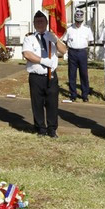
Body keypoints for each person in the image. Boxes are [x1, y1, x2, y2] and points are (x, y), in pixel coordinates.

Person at [22, 10, 67, 138]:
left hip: (51, 75)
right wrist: (43, 60)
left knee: (52, 103)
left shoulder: (52, 37)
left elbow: (63, 51)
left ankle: (52, 129)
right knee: (37, 103)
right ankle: (40, 128)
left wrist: (56, 40)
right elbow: (27, 54)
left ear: (47, 22)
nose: (40, 23)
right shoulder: (29, 38)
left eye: (42, 21)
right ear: (34, 23)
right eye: (37, 21)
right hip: (36, 76)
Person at [63, 9, 94, 102]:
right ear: (74, 19)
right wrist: (66, 52)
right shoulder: (69, 29)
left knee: (84, 74)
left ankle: (85, 95)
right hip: (72, 52)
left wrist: (90, 53)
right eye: (77, 21)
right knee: (72, 74)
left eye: (80, 21)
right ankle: (73, 94)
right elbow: (65, 40)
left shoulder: (87, 29)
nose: (78, 23)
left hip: (82, 52)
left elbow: (91, 41)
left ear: (82, 20)